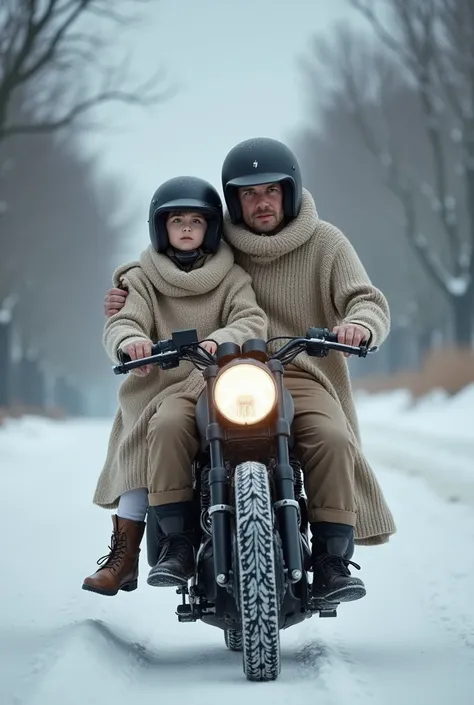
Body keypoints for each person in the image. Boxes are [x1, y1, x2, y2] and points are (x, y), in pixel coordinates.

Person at [103, 138, 397, 606]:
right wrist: (123, 288)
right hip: (215, 374)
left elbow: (365, 299)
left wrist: (360, 324)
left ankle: (331, 561)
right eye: (247, 193)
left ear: (291, 191)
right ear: (232, 201)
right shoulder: (222, 247)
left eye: (271, 191)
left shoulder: (326, 242)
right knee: (167, 424)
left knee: (332, 436)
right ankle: (176, 543)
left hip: (301, 371)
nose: (260, 202)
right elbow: (168, 269)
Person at [83, 175, 268, 596]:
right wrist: (130, 341)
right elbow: (123, 321)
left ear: (211, 228)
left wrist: (217, 340)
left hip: (216, 381)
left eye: (197, 221)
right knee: (151, 436)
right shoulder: (141, 280)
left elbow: (251, 320)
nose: (187, 228)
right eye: (177, 220)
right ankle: (149, 549)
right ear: (159, 227)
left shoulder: (232, 276)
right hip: (159, 386)